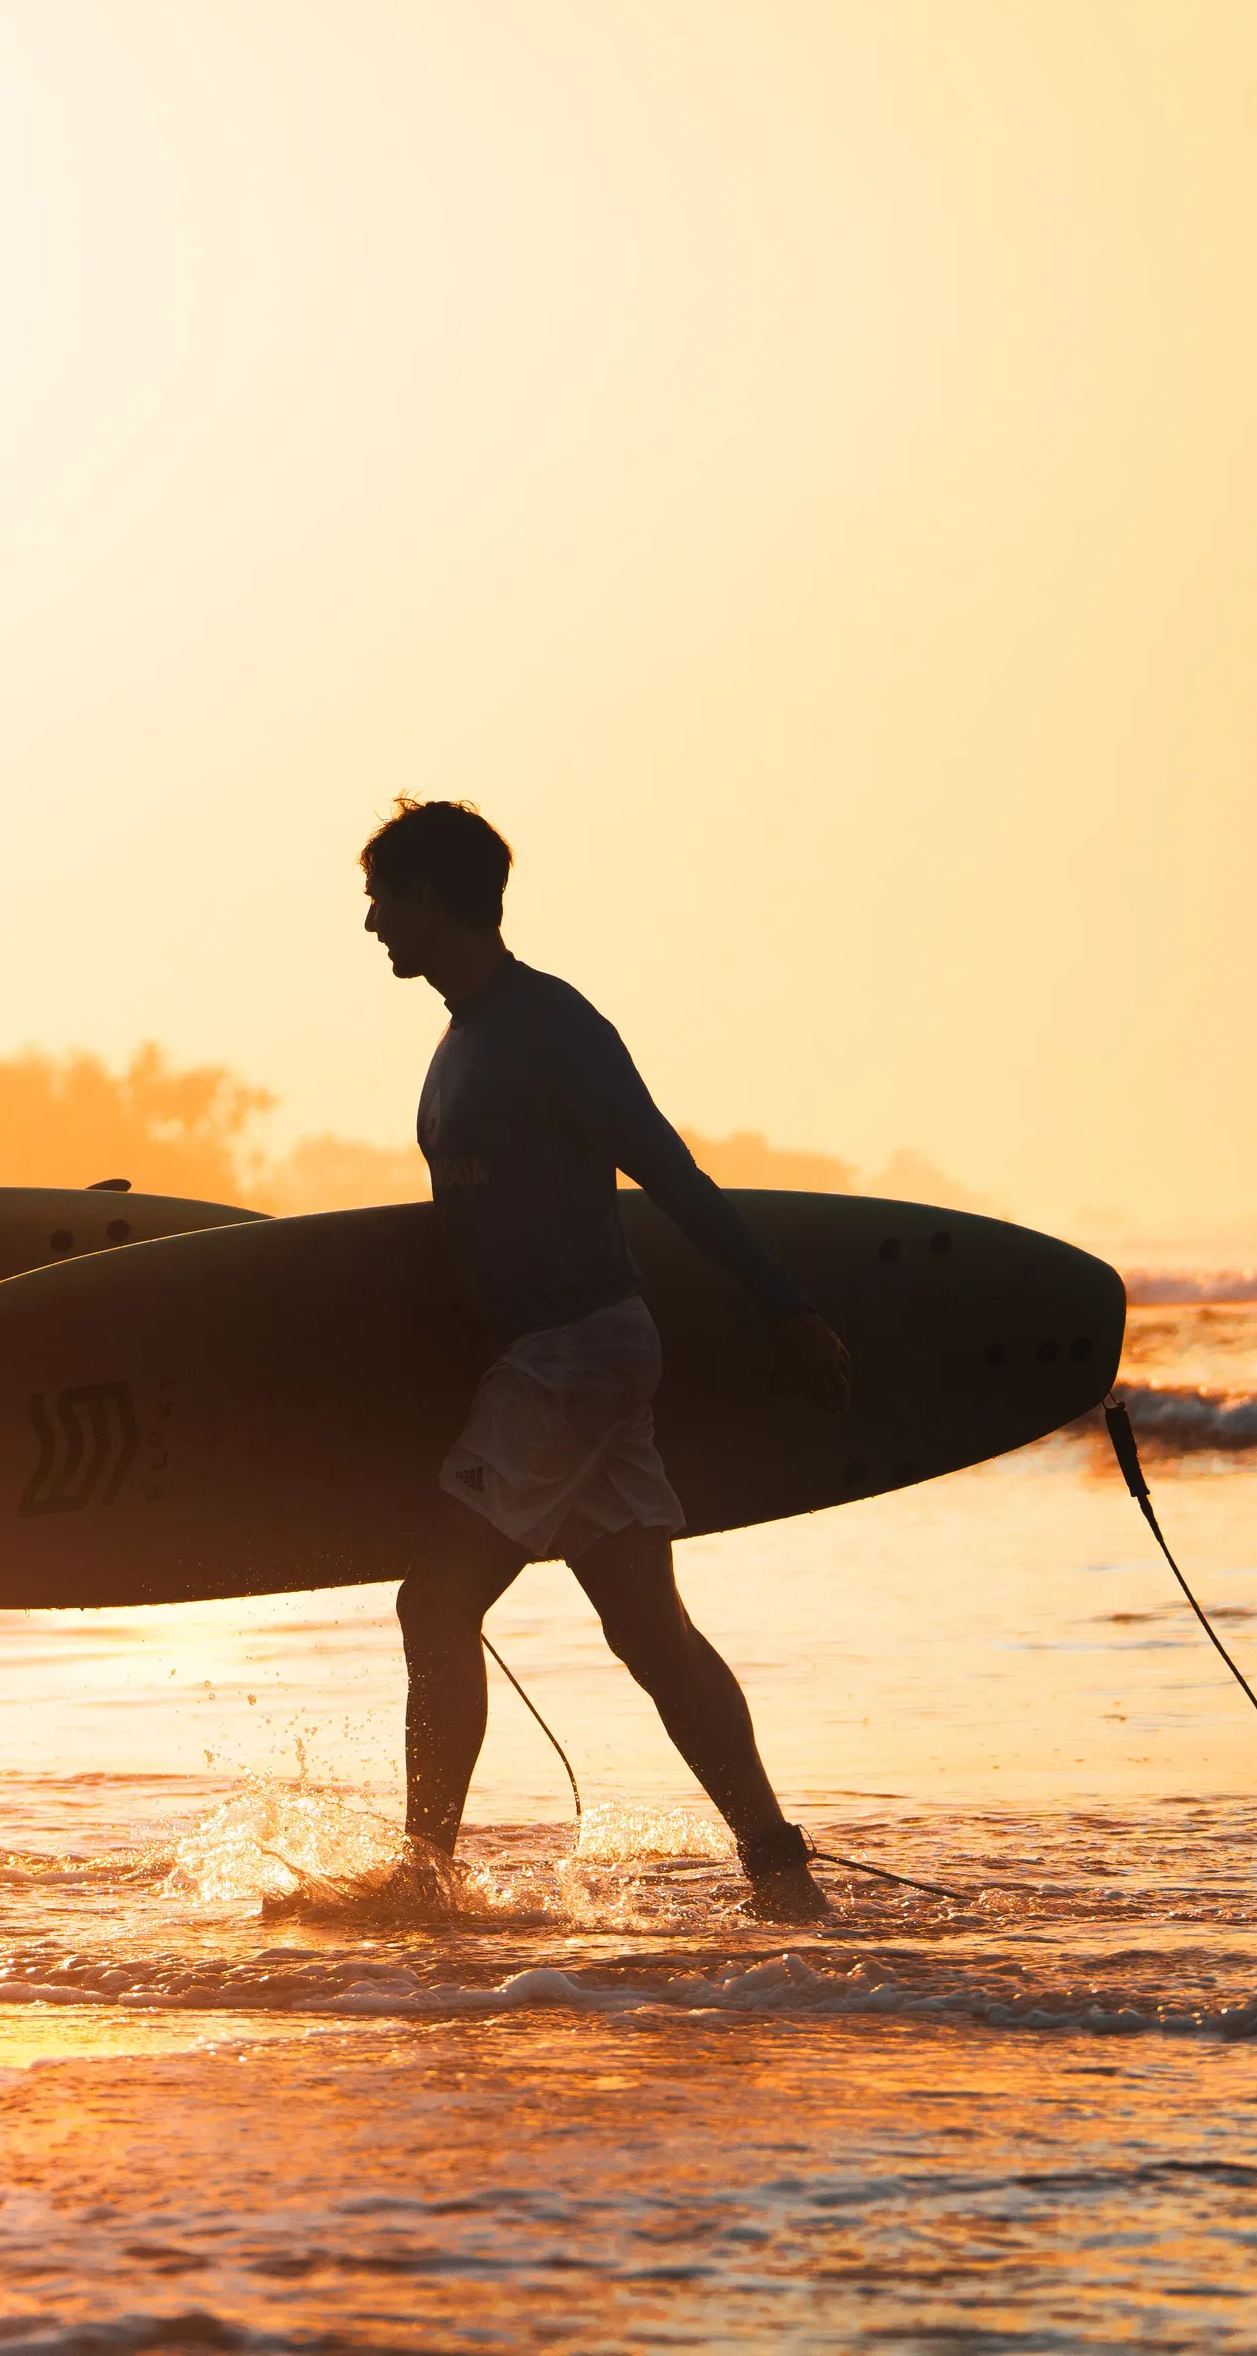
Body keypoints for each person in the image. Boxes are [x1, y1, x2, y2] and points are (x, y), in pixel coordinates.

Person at [359, 799, 854, 1923]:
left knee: (433, 1605)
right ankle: (781, 1874)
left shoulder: (546, 1025)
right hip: (558, 1359)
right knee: (648, 1630)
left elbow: (666, 1169)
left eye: (384, 897)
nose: (373, 921)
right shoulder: (464, 1035)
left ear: (435, 897)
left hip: (571, 1354)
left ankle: (423, 1879)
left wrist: (785, 1306)